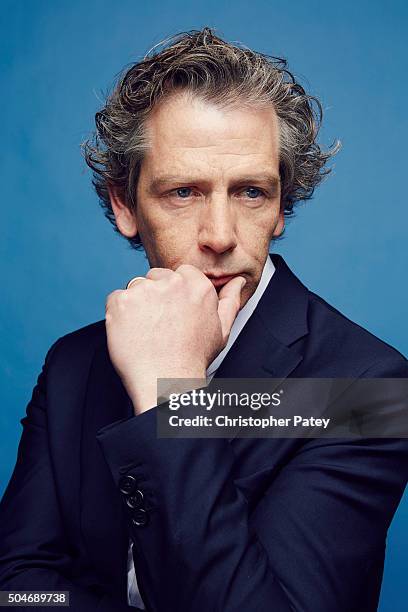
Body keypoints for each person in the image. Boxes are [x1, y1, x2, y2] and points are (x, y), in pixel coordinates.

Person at [0, 27, 407, 612]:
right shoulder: (73, 365)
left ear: (281, 206)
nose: (220, 236)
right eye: (183, 192)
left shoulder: (366, 389)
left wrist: (174, 394)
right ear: (125, 204)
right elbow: (21, 587)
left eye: (249, 192)